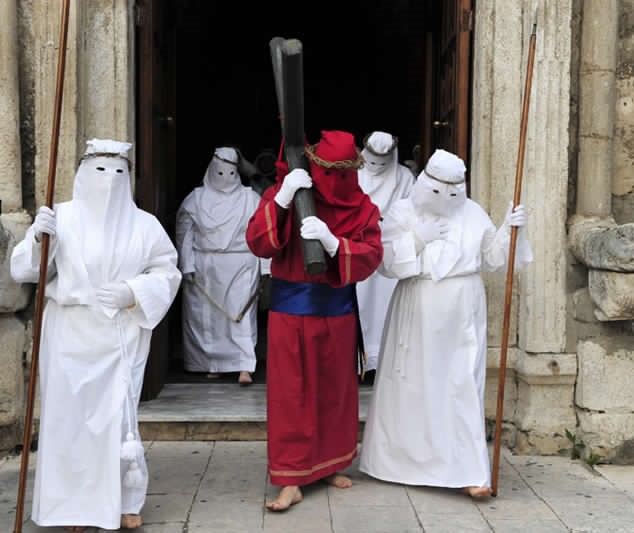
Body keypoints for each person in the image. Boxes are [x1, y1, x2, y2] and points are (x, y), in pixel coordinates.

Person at [11, 139, 182, 531]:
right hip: (69, 332)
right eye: (100, 170)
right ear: (83, 173)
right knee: (70, 420)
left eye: (118, 172)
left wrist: (132, 292)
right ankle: (73, 506)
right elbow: (27, 271)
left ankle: (125, 502)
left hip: (120, 333)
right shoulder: (61, 217)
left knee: (117, 421)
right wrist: (37, 238)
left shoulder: (145, 225)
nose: (109, 180)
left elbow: (167, 271)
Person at [359, 148, 532, 498]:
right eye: (437, 191)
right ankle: (402, 463)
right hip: (417, 305)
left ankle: (469, 471)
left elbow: (494, 259)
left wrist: (510, 230)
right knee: (412, 384)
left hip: (461, 309)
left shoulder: (472, 213)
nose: (444, 199)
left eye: (452, 192)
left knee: (461, 383)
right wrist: (416, 240)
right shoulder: (403, 211)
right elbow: (385, 264)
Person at [246, 130, 383, 511]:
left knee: (334, 394)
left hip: (338, 313)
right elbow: (258, 242)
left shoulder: (361, 206)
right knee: (291, 395)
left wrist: (335, 244)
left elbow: (372, 254)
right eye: (329, 173)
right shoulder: (289, 192)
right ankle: (291, 477)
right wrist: (283, 200)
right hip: (291, 313)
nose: (336, 183)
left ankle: (329, 463)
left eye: (344, 174)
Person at [175, 146, 266, 385]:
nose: (225, 179)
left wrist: (266, 268)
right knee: (207, 317)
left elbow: (262, 233)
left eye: (230, 173)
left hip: (241, 263)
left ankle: (244, 365)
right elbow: (185, 233)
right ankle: (211, 363)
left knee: (240, 314)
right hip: (205, 264)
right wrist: (186, 265)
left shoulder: (250, 199)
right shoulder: (195, 199)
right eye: (220, 173)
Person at [355, 131, 415, 375]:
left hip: (390, 250)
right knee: (360, 304)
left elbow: (412, 212)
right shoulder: (353, 173)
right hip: (358, 246)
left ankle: (382, 363)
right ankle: (358, 362)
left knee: (386, 307)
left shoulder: (404, 177)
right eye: (372, 161)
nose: (376, 168)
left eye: (382, 163)